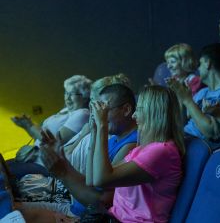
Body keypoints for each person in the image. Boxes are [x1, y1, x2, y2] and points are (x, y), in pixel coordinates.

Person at [15, 83, 138, 221]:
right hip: (75, 205)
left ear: (126, 109)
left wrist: (63, 172)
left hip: (85, 215)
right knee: (14, 208)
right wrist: (95, 131)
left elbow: (103, 202)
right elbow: (90, 180)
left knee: (17, 213)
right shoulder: (114, 138)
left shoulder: (130, 146)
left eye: (103, 110)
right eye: (97, 110)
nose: (99, 115)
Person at [86, 85, 185, 222]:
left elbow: (101, 179)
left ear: (154, 113)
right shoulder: (142, 148)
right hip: (115, 216)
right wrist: (95, 131)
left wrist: (102, 125)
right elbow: (92, 180)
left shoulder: (162, 151)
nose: (134, 115)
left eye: (139, 109)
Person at [168, 43, 220, 144]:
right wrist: (181, 98)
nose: (198, 68)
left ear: (208, 63)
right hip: (183, 138)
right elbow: (182, 124)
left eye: (200, 64)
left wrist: (187, 100)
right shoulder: (203, 92)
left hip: (197, 145)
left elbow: (212, 132)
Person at [11, 75, 92, 145]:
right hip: (36, 155)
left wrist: (29, 125)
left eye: (72, 94)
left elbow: (55, 142)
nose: (67, 98)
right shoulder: (65, 110)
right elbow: (38, 139)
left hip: (46, 161)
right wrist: (26, 127)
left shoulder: (83, 114)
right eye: (66, 93)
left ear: (85, 97)